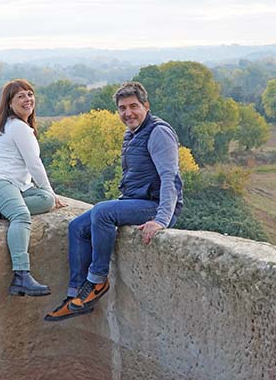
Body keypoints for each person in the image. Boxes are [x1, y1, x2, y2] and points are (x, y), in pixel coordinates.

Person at [44, 81, 183, 321]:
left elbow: (169, 177)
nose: (127, 113)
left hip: (153, 205)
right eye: (122, 108)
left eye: (133, 106)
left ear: (146, 106)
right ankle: (76, 294)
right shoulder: (132, 133)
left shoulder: (158, 132)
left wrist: (161, 220)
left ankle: (97, 281)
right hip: (134, 200)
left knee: (103, 212)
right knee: (77, 227)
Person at [0, 78, 65, 297]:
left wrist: (49, 194)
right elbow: (34, 164)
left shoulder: (21, 127)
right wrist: (50, 189)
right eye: (20, 96)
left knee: (46, 200)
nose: (27, 99)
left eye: (30, 94)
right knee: (21, 215)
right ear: (10, 104)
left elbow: (28, 170)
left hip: (13, 185)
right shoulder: (17, 127)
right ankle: (21, 276)